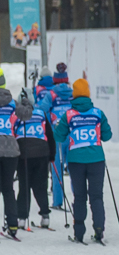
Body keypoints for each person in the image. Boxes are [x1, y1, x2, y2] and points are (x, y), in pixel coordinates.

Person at [54, 79, 113, 243]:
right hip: (96, 159)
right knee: (96, 196)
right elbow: (107, 136)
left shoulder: (69, 114)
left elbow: (58, 136)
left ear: (74, 94)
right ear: (88, 93)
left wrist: (60, 125)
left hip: (76, 160)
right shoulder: (97, 113)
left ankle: (79, 232)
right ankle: (99, 230)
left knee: (79, 197)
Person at [15, 91, 54, 230]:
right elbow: (49, 134)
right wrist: (52, 155)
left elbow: (12, 133)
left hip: (23, 154)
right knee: (40, 186)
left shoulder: (16, 114)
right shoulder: (40, 113)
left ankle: (21, 218)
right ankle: (45, 216)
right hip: (42, 152)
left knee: (24, 187)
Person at [38, 63, 73, 210]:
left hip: (57, 135)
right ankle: (79, 199)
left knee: (57, 169)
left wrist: (48, 124)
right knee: (73, 169)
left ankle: (57, 202)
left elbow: (42, 110)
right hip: (72, 135)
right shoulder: (73, 93)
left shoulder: (51, 94)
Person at [0, 82, 21, 237]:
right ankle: (13, 224)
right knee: (8, 188)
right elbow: (27, 114)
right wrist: (27, 103)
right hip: (11, 149)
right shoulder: (12, 102)